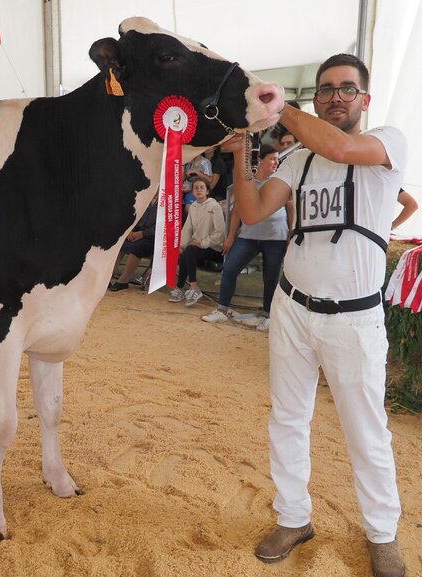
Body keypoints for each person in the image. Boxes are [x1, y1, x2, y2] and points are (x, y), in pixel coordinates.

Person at [222, 54, 407, 577]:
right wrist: (243, 154)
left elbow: (341, 148)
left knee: (366, 430)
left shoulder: (387, 142)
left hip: (354, 318)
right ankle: (293, 517)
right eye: (326, 89)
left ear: (365, 99)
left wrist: (275, 106)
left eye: (347, 89)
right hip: (293, 308)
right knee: (287, 417)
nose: (335, 97)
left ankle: (382, 533)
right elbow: (254, 210)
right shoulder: (298, 160)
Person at [202, 144, 292, 331]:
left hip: (276, 237)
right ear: (260, 160)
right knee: (230, 268)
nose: (276, 162)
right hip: (249, 235)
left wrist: (291, 233)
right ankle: (222, 309)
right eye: (272, 159)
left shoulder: (280, 181)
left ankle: (268, 315)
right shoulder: (248, 182)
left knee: (271, 277)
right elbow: (237, 211)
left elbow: (291, 208)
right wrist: (230, 237)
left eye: (277, 159)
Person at [168, 179, 223, 307]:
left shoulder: (214, 207)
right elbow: (188, 228)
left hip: (214, 247)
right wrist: (181, 246)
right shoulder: (192, 207)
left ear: (207, 191)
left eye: (202, 187)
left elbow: (220, 233)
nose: (199, 190)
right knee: (185, 253)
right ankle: (180, 288)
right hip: (196, 247)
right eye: (196, 188)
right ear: (192, 192)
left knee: (191, 250)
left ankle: (194, 288)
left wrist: (202, 244)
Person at [109, 195, 157, 291]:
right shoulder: (146, 198)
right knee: (119, 244)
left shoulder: (167, 203)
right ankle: (108, 276)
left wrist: (143, 234)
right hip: (136, 232)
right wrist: (130, 231)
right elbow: (134, 217)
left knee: (138, 247)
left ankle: (124, 279)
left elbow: (163, 226)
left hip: (153, 237)